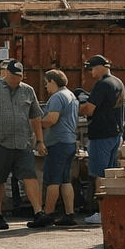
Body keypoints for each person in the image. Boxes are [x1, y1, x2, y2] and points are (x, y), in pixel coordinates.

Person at [0, 59, 46, 231]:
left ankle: (38, 213)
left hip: (22, 143)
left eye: (19, 77)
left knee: (30, 176)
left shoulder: (28, 91)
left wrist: (40, 140)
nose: (16, 80)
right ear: (6, 73)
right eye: (13, 76)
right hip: (0, 142)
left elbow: (35, 116)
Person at [31, 69, 81, 228]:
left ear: (53, 81)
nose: (46, 86)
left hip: (58, 142)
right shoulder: (71, 96)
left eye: (46, 83)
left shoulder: (57, 97)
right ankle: (69, 214)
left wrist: (36, 126)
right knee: (65, 180)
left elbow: (51, 120)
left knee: (53, 180)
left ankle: (48, 215)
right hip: (70, 142)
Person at [79, 55, 125, 221]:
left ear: (100, 67)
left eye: (92, 68)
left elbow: (89, 109)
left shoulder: (102, 84)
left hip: (101, 135)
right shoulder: (118, 82)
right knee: (111, 174)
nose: (91, 72)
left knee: (100, 175)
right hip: (116, 134)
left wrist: (75, 106)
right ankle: (112, 211)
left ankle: (101, 213)